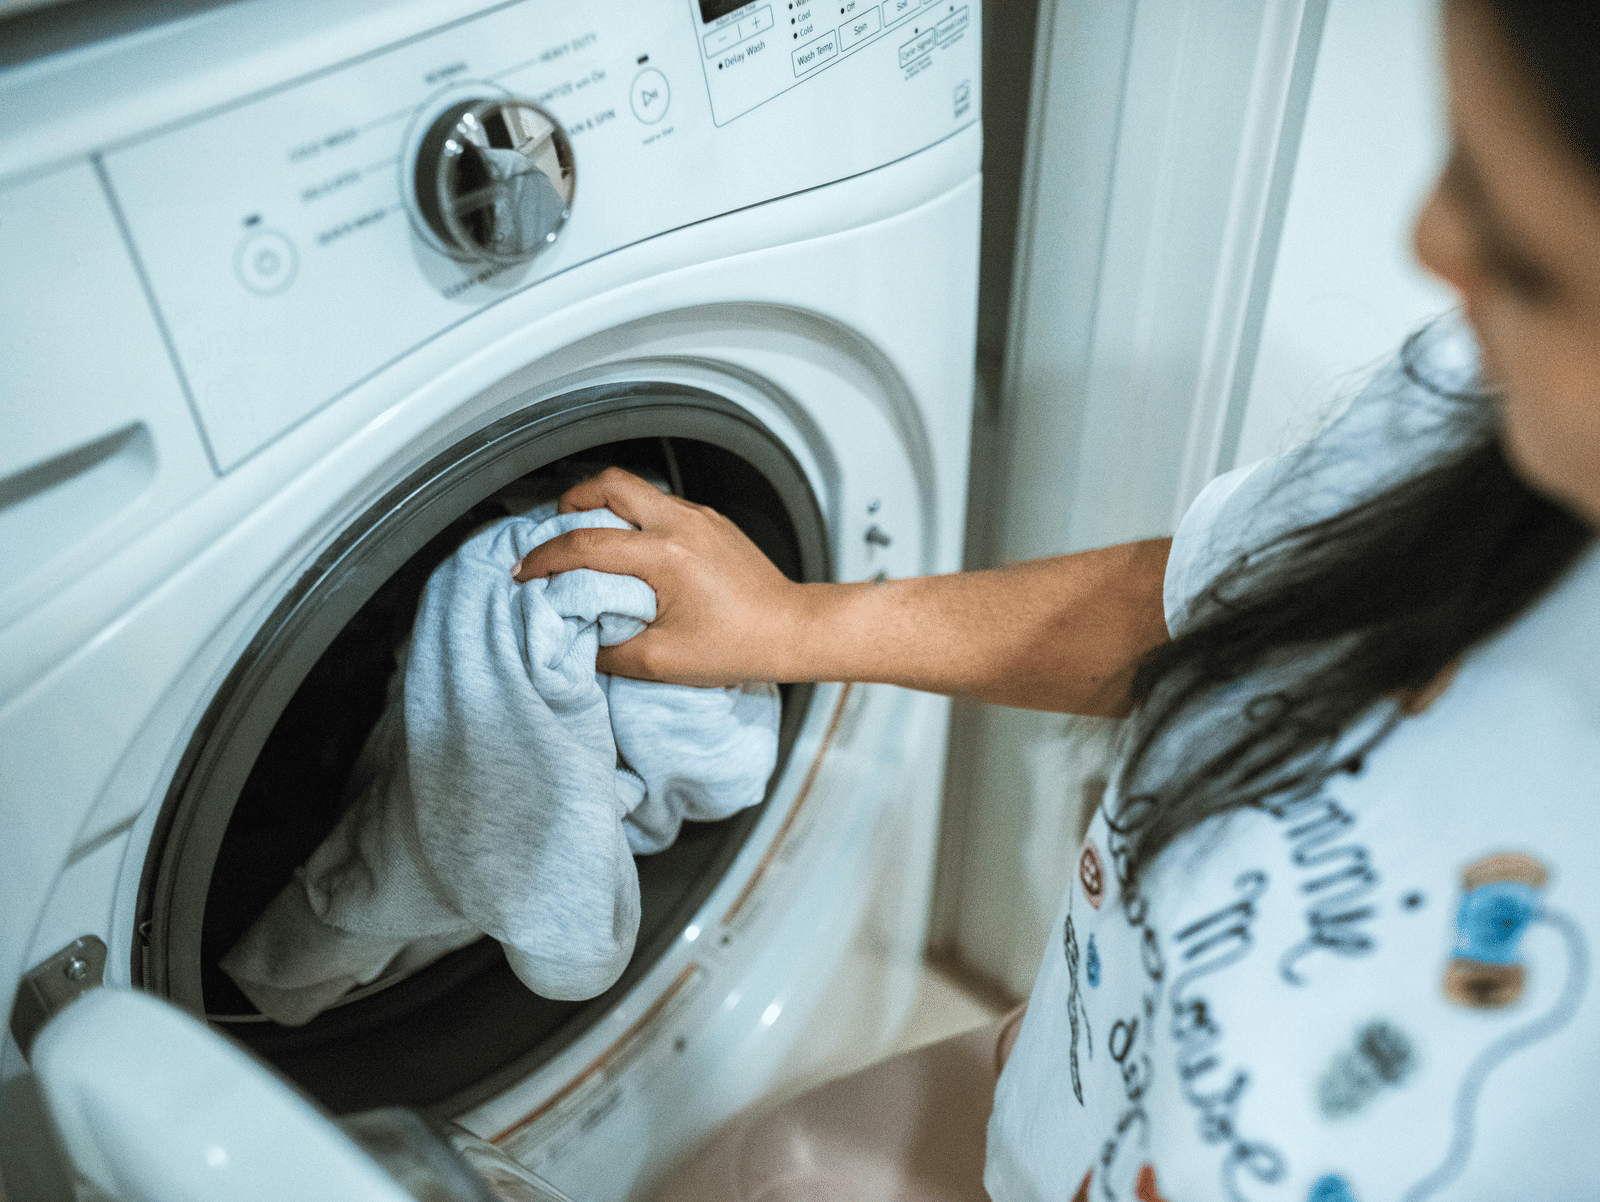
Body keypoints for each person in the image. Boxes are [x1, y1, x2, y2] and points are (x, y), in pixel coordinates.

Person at [512, 0, 1600, 1197]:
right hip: (1069, 1101)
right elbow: (1195, 603)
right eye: (1457, 150)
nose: (1431, 241)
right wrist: (793, 621)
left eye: (1520, 249)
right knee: (770, 1163)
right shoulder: (1458, 411)